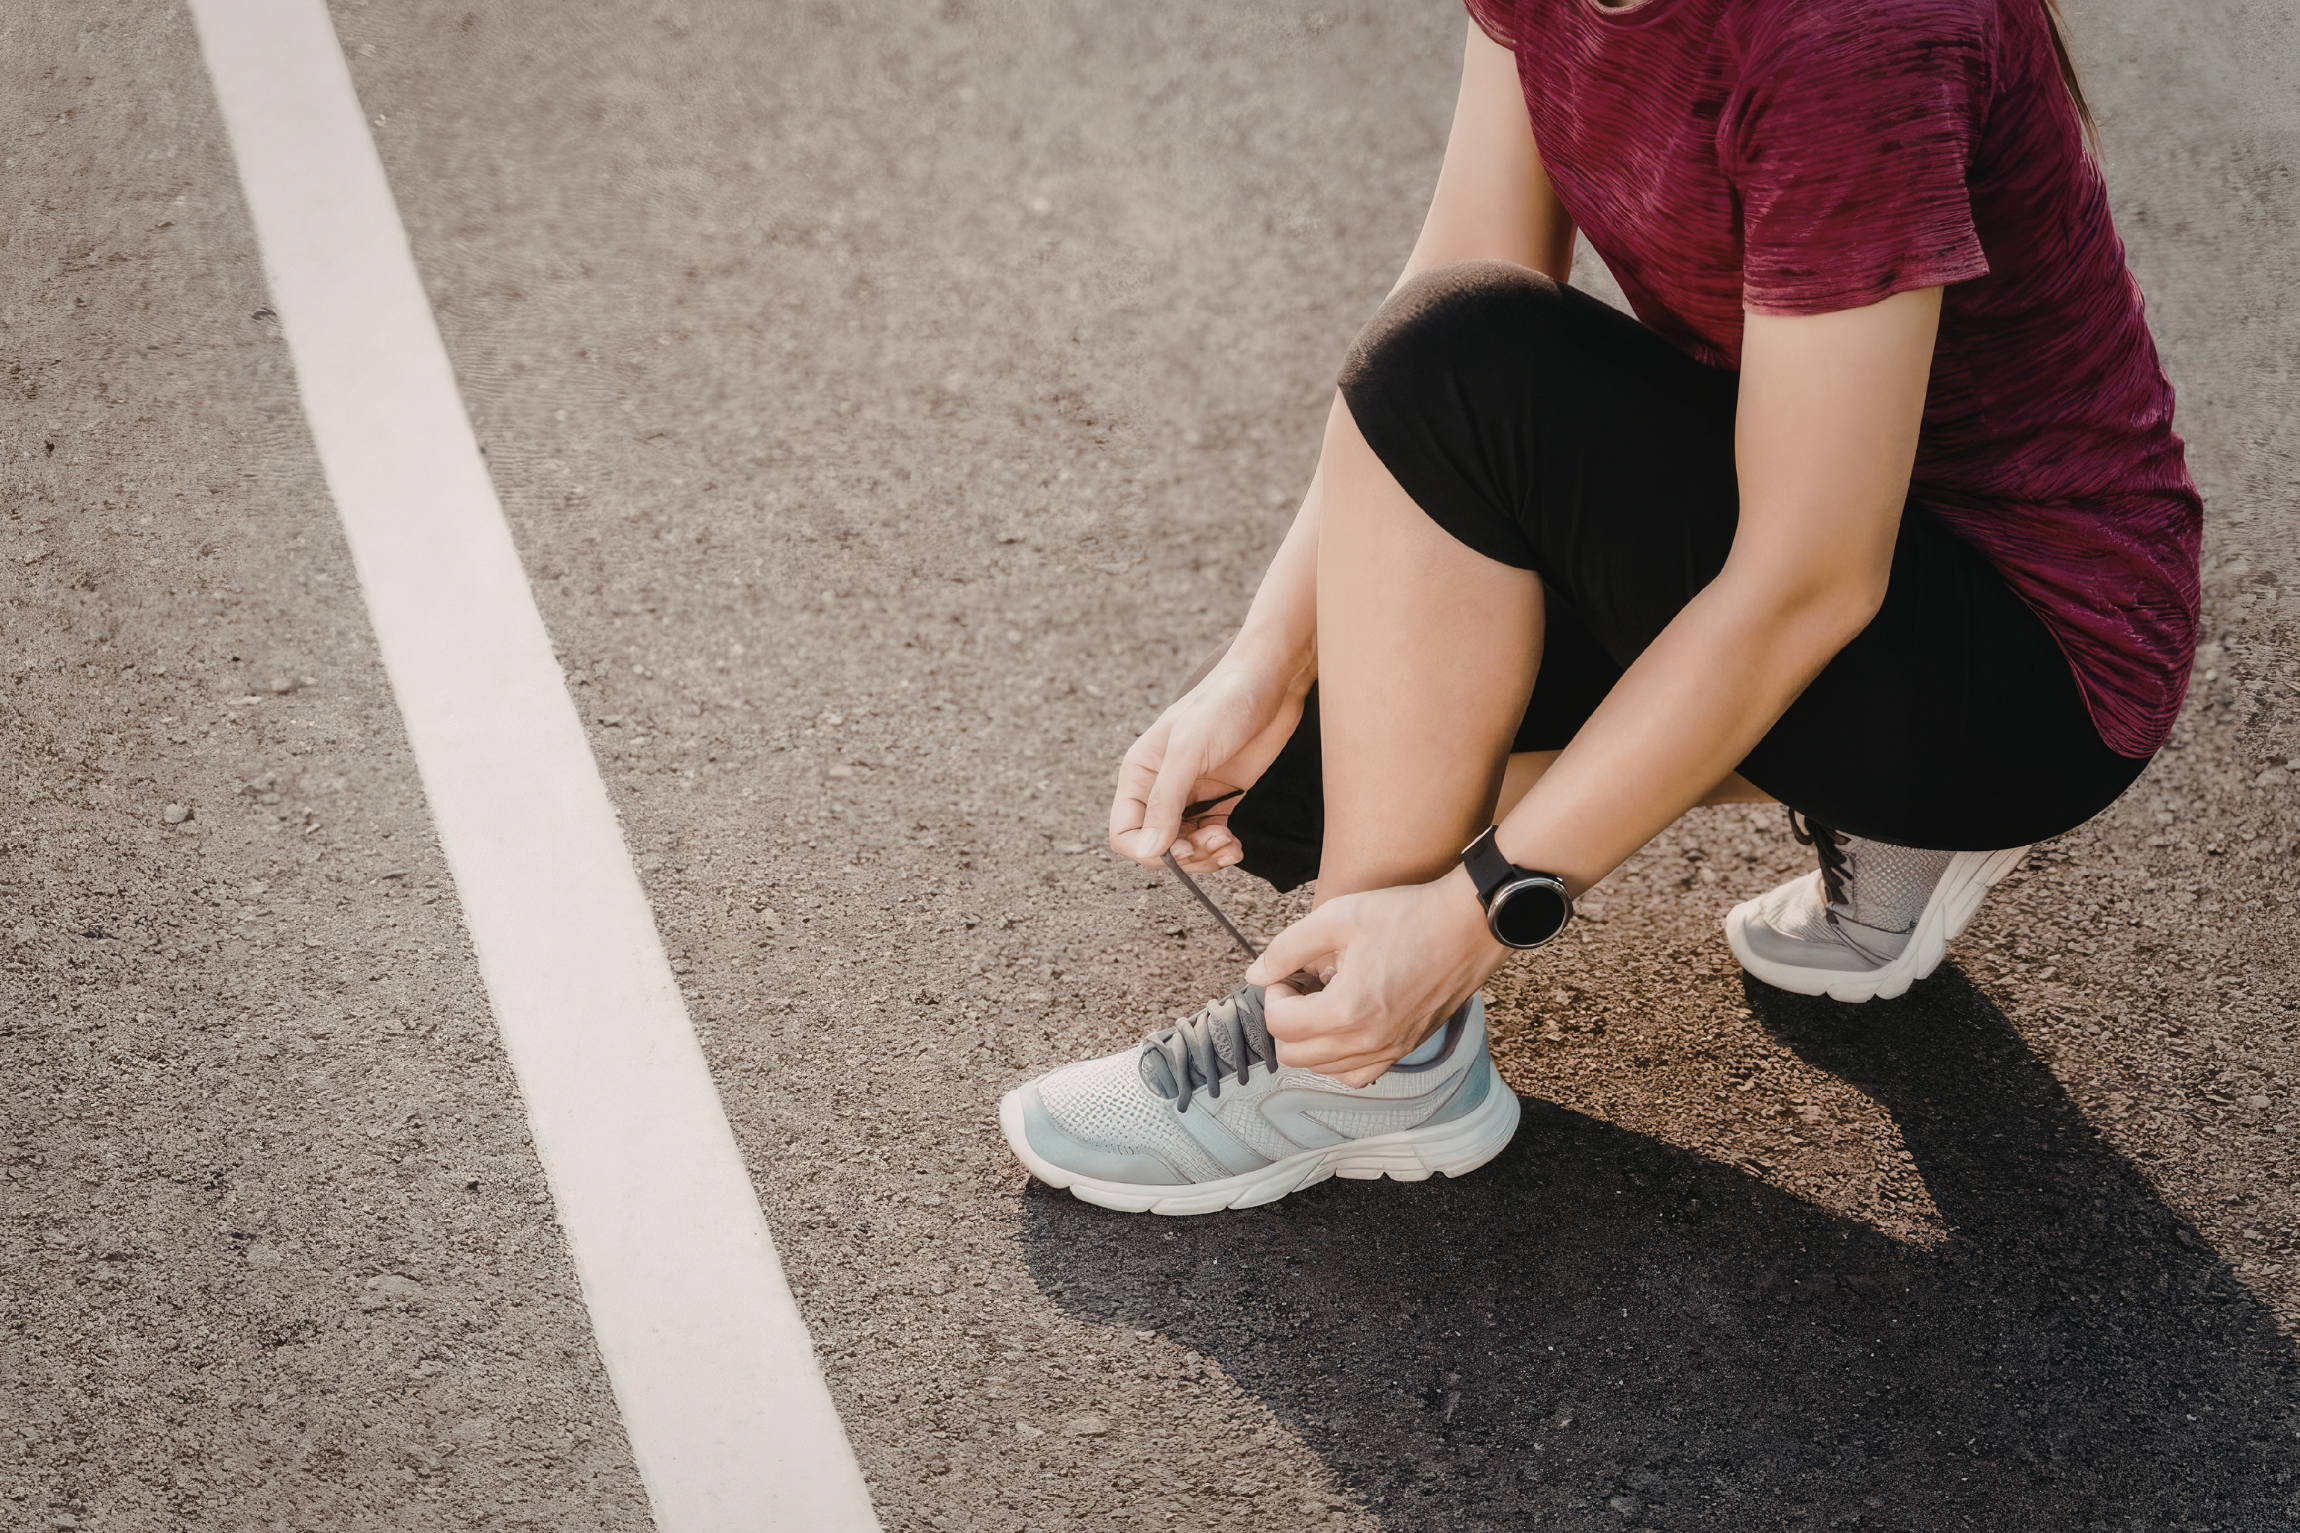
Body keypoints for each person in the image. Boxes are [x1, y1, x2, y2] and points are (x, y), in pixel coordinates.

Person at [999, 0, 2200, 1215]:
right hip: (1818, 519)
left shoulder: (1846, 33)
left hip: (2025, 666)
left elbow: (1804, 579)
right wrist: (1264, 661)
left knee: (1462, 387)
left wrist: (1466, 924)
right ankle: (1875, 811)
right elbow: (1468, 269)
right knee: (1289, 787)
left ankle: (1373, 1064)